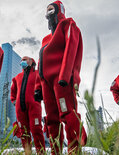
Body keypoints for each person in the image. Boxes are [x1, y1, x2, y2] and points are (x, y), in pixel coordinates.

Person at [34, 1, 87, 154]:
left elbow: (72, 49)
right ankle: (55, 151)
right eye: (46, 10)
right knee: (51, 118)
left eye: (51, 9)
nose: (48, 13)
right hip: (46, 83)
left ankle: (74, 148)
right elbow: (40, 63)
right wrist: (38, 87)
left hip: (61, 80)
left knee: (67, 112)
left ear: (59, 10)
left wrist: (65, 75)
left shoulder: (68, 25)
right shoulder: (45, 40)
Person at [11, 56, 45, 154]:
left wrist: (41, 96)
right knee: (23, 132)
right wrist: (14, 101)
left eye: (25, 60)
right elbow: (13, 92)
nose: (22, 61)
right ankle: (27, 152)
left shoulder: (38, 73)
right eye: (21, 60)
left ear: (31, 61)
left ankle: (41, 152)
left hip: (34, 106)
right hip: (20, 109)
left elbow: (44, 85)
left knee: (36, 129)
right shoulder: (17, 77)